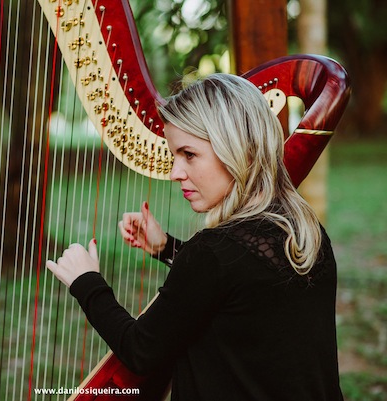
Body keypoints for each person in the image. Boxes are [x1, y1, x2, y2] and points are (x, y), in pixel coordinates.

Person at [45, 73, 343, 401]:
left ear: (236, 150)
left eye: (189, 154)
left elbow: (141, 351)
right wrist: (166, 247)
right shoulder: (304, 231)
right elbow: (241, 284)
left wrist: (86, 282)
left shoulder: (213, 253)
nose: (175, 172)